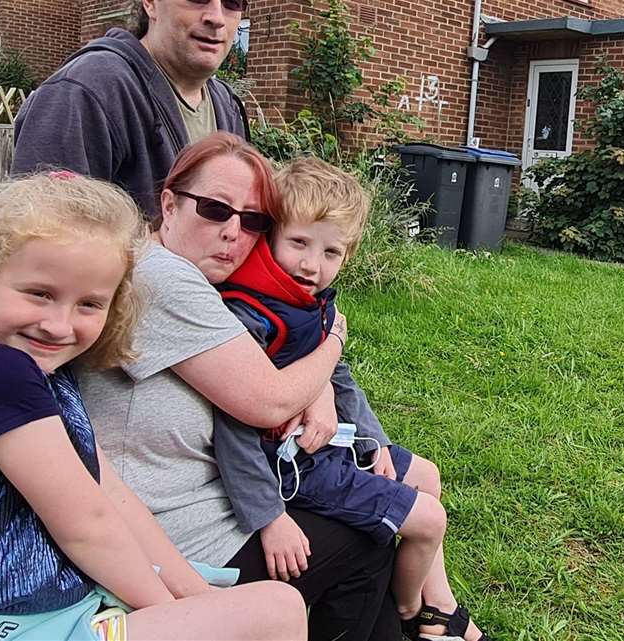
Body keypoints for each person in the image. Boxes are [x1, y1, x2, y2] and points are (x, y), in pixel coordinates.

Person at [0, 171, 303, 641]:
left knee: (239, 607)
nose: (59, 325)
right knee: (276, 610)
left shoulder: (41, 374)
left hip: (49, 615)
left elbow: (111, 495)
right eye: (39, 294)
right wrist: (177, 615)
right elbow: (87, 527)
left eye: (89, 305)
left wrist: (195, 598)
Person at [75, 134, 404, 641]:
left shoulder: (191, 274)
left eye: (253, 221)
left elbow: (282, 376)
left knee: (384, 510)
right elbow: (266, 399)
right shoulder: (166, 279)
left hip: (211, 498)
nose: (234, 233)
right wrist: (335, 338)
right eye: (214, 209)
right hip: (175, 533)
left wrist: (320, 393)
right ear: (169, 202)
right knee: (367, 542)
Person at [214, 157, 488, 641]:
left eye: (331, 252)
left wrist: (374, 442)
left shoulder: (308, 302)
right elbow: (232, 425)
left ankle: (437, 606)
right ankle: (411, 613)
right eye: (298, 243)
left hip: (327, 448)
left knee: (427, 475)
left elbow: (337, 374)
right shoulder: (250, 314)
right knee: (429, 519)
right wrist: (267, 517)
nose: (310, 265)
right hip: (290, 473)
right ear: (272, 233)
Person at [12, 0, 252, 217]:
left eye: (231, 3)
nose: (216, 17)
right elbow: (39, 237)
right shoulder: (87, 91)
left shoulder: (226, 104)